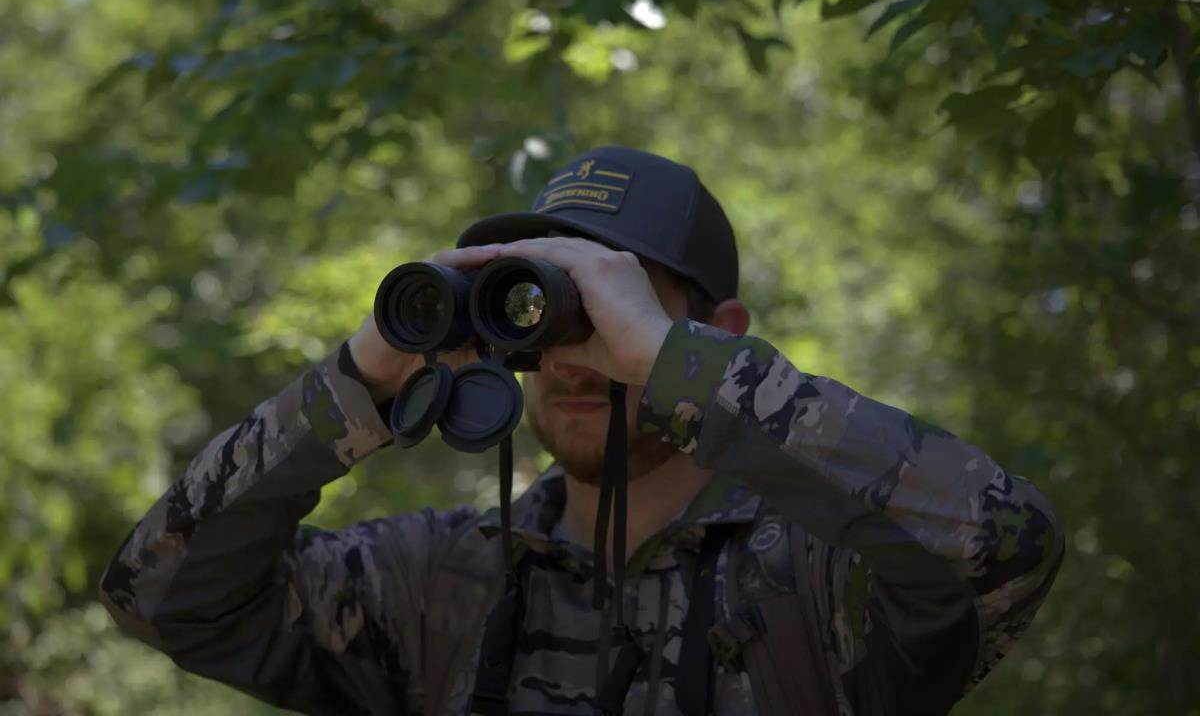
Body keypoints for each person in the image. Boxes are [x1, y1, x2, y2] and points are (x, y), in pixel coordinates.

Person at [100, 146, 1065, 715]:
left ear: (712, 334)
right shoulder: (434, 581)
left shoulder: (824, 574)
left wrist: (676, 370)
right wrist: (358, 381)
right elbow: (163, 595)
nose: (575, 351)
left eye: (616, 301)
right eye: (549, 306)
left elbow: (1002, 543)